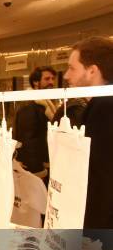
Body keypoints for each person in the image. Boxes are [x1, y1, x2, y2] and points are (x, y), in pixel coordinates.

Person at [63, 36, 113, 230]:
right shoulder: (101, 105)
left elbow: (101, 179)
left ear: (92, 71)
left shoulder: (104, 107)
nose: (67, 76)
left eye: (72, 68)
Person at [13, 66, 58, 175]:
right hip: (36, 166)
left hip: (46, 162)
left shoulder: (46, 104)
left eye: (52, 78)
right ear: (36, 82)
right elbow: (28, 141)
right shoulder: (30, 105)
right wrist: (37, 170)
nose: (51, 82)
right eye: (47, 79)